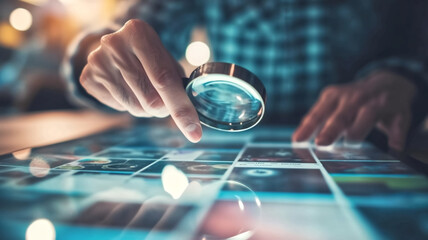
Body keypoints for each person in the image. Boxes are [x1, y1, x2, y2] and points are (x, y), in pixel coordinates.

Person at [65, 0, 428, 150]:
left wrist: (406, 77)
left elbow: (416, 43)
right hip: (231, 142)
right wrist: (97, 54)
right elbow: (119, 34)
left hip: (364, 138)